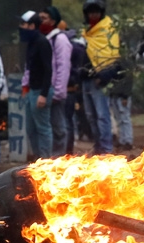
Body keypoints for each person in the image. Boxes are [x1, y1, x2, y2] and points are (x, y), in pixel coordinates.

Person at [81, 0, 119, 155]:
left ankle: (106, 149)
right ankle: (98, 147)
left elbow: (113, 56)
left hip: (100, 80)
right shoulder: (85, 32)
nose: (93, 15)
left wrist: (103, 76)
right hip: (86, 79)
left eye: (96, 12)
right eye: (90, 12)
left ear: (101, 13)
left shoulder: (108, 29)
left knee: (102, 115)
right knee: (90, 115)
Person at [19, 10, 54, 161]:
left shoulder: (42, 42)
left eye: (24, 24)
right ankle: (37, 160)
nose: (21, 27)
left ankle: (46, 161)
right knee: (30, 128)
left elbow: (48, 69)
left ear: (32, 25)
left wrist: (44, 94)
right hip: (32, 90)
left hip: (41, 91)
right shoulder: (31, 43)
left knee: (43, 128)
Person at [41, 7, 72, 156]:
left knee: (58, 128)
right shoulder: (42, 39)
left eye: (44, 18)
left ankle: (60, 159)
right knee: (46, 128)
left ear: (53, 21)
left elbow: (63, 66)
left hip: (54, 92)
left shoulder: (59, 39)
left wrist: (58, 92)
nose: (41, 21)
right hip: (42, 91)